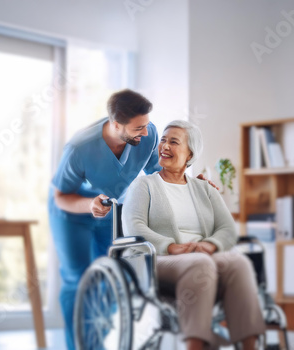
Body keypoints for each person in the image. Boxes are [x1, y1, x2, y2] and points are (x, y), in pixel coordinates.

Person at [49, 90, 217, 350]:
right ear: (116, 125)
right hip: (72, 211)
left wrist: (194, 184)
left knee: (112, 277)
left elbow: (161, 172)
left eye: (147, 124)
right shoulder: (80, 148)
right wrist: (88, 205)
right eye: (139, 127)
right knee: (78, 279)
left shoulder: (146, 136)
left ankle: (104, 342)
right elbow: (61, 195)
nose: (147, 132)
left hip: (111, 209)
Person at [122, 120, 266, 350]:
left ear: (190, 154)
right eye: (163, 140)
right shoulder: (144, 185)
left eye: (174, 142)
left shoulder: (205, 188)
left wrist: (211, 244)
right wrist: (170, 246)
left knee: (237, 262)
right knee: (200, 264)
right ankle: (194, 345)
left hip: (201, 256)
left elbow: (227, 228)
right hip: (159, 259)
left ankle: (250, 346)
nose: (165, 146)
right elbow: (134, 226)